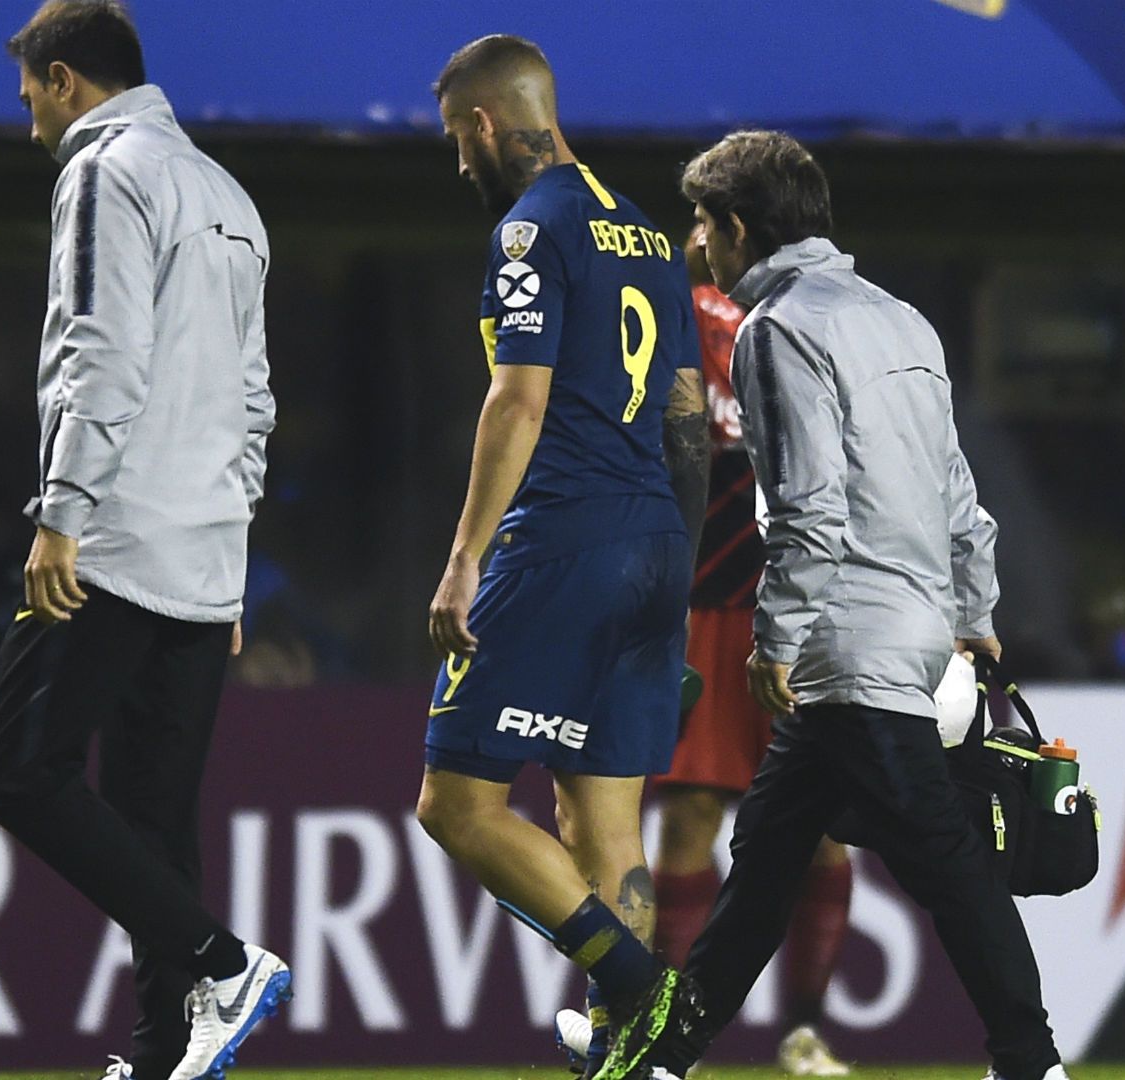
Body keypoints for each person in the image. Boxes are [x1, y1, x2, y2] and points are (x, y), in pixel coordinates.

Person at [601, 131, 1068, 1080]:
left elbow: (807, 506)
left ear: (737, 228)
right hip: (916, 629)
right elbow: (960, 497)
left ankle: (1032, 1060)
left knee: (943, 860)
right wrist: (974, 615)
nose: (694, 242)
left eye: (702, 222)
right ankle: (663, 1059)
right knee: (768, 855)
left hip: (846, 642)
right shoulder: (904, 321)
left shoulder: (777, 330)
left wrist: (778, 639)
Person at [0, 5, 285, 1080]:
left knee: (23, 774)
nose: (31, 130)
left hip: (113, 533)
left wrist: (63, 512)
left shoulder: (110, 170)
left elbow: (98, 349)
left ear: (65, 81)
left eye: (30, 103)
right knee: (154, 817)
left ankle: (222, 963)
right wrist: (233, 550)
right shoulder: (228, 193)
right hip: (203, 551)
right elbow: (255, 399)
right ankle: (165, 1059)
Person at [413, 35, 710, 1080]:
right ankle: (637, 1053)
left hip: (560, 541)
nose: (458, 162)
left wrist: (463, 560)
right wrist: (677, 577)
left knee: (455, 804)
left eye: (458, 137)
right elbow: (687, 415)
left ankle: (637, 991)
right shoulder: (643, 235)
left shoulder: (530, 231)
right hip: (657, 542)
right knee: (602, 818)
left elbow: (518, 398)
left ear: (488, 123)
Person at [583, 225, 855, 1077]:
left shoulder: (810, 328)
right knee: (694, 813)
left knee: (822, 828)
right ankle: (673, 1031)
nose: (702, 240)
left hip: (793, 600)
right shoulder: (677, 319)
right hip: (700, 601)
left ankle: (805, 1032)